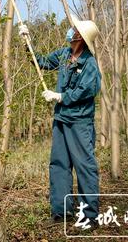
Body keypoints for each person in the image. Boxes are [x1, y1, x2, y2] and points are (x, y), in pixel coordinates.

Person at [19, 14, 101, 226]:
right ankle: (61, 212)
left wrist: (61, 96)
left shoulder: (89, 63)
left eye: (74, 30)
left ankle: (90, 215)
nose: (70, 31)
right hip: (61, 119)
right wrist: (27, 43)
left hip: (80, 122)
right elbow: (43, 62)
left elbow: (88, 90)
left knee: (84, 166)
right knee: (59, 165)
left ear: (80, 37)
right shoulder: (65, 54)